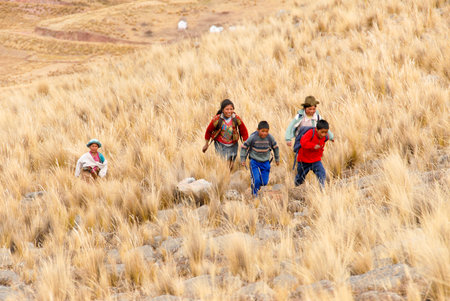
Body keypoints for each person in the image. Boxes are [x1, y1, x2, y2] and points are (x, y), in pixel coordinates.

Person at [203, 99, 249, 168]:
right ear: (222, 110)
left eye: (231, 109)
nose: (229, 111)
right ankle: (224, 176)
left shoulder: (236, 118)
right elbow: (208, 131)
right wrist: (206, 144)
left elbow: (243, 131)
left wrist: (246, 143)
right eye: (227, 109)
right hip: (220, 144)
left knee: (231, 164)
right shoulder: (217, 119)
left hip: (233, 144)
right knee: (224, 163)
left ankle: (229, 175)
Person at [240, 121, 280, 196]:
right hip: (254, 161)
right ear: (258, 130)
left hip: (265, 162)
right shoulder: (253, 137)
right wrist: (243, 159)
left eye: (266, 131)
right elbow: (244, 147)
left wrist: (277, 159)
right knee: (256, 179)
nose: (264, 133)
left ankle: (256, 186)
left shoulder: (270, 137)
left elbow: (275, 147)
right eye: (262, 131)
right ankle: (255, 193)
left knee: (264, 182)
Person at [295, 120, 330, 187]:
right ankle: (297, 189)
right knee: (300, 177)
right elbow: (303, 143)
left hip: (316, 160)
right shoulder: (310, 133)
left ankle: (322, 189)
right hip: (303, 160)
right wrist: (313, 146)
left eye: (326, 132)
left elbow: (322, 146)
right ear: (317, 129)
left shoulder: (325, 137)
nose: (323, 134)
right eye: (322, 132)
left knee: (321, 173)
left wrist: (320, 153)